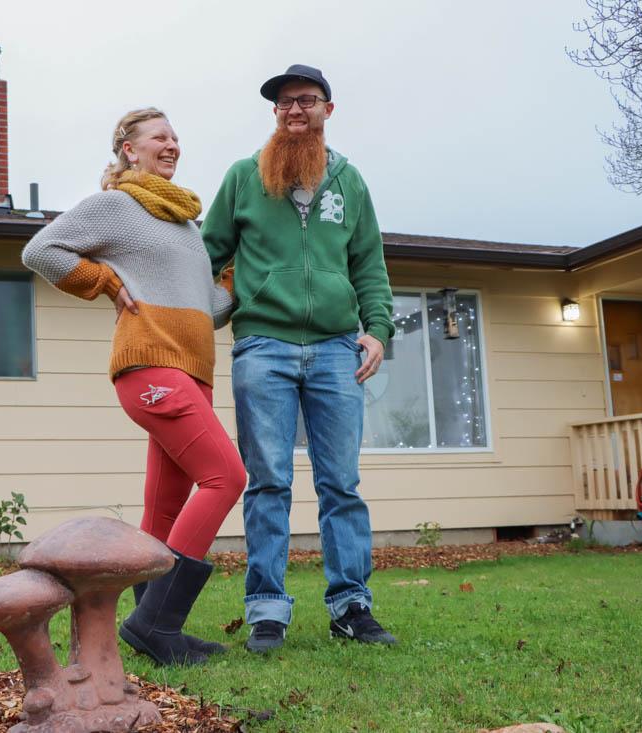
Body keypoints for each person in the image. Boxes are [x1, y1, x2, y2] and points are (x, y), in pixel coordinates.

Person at [21, 108, 246, 666]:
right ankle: (155, 624)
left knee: (165, 507)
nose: (171, 145)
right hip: (151, 369)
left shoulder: (186, 225)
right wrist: (102, 281)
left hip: (190, 371)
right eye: (158, 137)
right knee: (225, 477)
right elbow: (39, 250)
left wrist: (242, 276)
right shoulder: (116, 206)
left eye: (176, 137)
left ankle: (153, 624)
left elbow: (208, 310)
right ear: (128, 149)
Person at [200, 64, 398, 651]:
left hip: (339, 350)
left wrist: (378, 330)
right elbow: (207, 254)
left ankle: (351, 608)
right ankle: (266, 609)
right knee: (268, 483)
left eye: (306, 100)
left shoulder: (351, 182)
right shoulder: (243, 177)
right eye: (284, 103)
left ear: (327, 111)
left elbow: (369, 265)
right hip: (262, 347)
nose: (294, 110)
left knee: (342, 484)